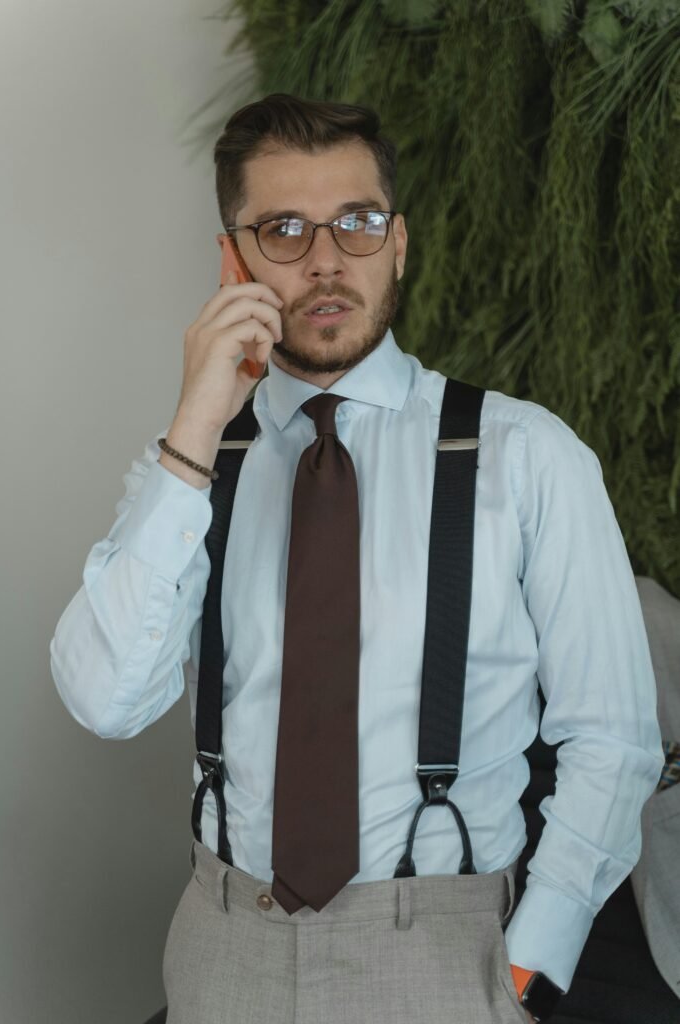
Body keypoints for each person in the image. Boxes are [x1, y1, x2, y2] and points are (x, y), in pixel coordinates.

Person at [50, 93, 664, 1024]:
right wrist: (194, 426)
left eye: (358, 223)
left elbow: (612, 740)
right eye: (284, 229)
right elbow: (103, 700)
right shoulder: (191, 466)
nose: (327, 260)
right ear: (233, 259)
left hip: (449, 954)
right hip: (223, 947)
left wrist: (533, 957)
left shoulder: (527, 455)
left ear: (399, 243)